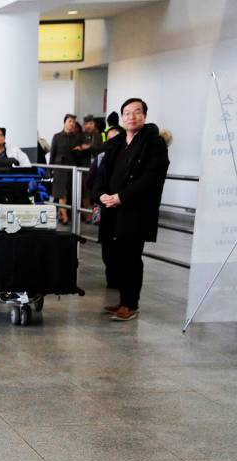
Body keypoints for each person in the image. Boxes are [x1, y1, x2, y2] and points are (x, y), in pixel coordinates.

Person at [92, 97, 169, 321]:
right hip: (111, 209)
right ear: (122, 116)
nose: (132, 117)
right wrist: (101, 195)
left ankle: (130, 304)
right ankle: (122, 300)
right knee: (112, 256)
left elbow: (151, 178)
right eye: (127, 113)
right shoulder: (115, 143)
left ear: (144, 116)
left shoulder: (154, 143)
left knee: (130, 257)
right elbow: (100, 172)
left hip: (134, 210)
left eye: (137, 112)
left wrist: (121, 197)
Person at [88, 125, 122, 287]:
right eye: (110, 139)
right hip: (105, 207)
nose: (112, 142)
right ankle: (112, 279)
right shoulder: (102, 157)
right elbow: (91, 182)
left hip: (124, 209)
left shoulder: (133, 158)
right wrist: (102, 196)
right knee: (107, 245)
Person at [50, 113, 85, 223]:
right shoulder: (57, 136)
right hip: (59, 167)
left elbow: (80, 156)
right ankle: (64, 217)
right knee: (62, 193)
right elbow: (52, 153)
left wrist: (79, 150)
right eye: (70, 121)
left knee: (68, 193)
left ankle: (61, 214)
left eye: (73, 122)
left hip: (72, 168)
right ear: (64, 122)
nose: (72, 124)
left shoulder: (77, 137)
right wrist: (48, 169)